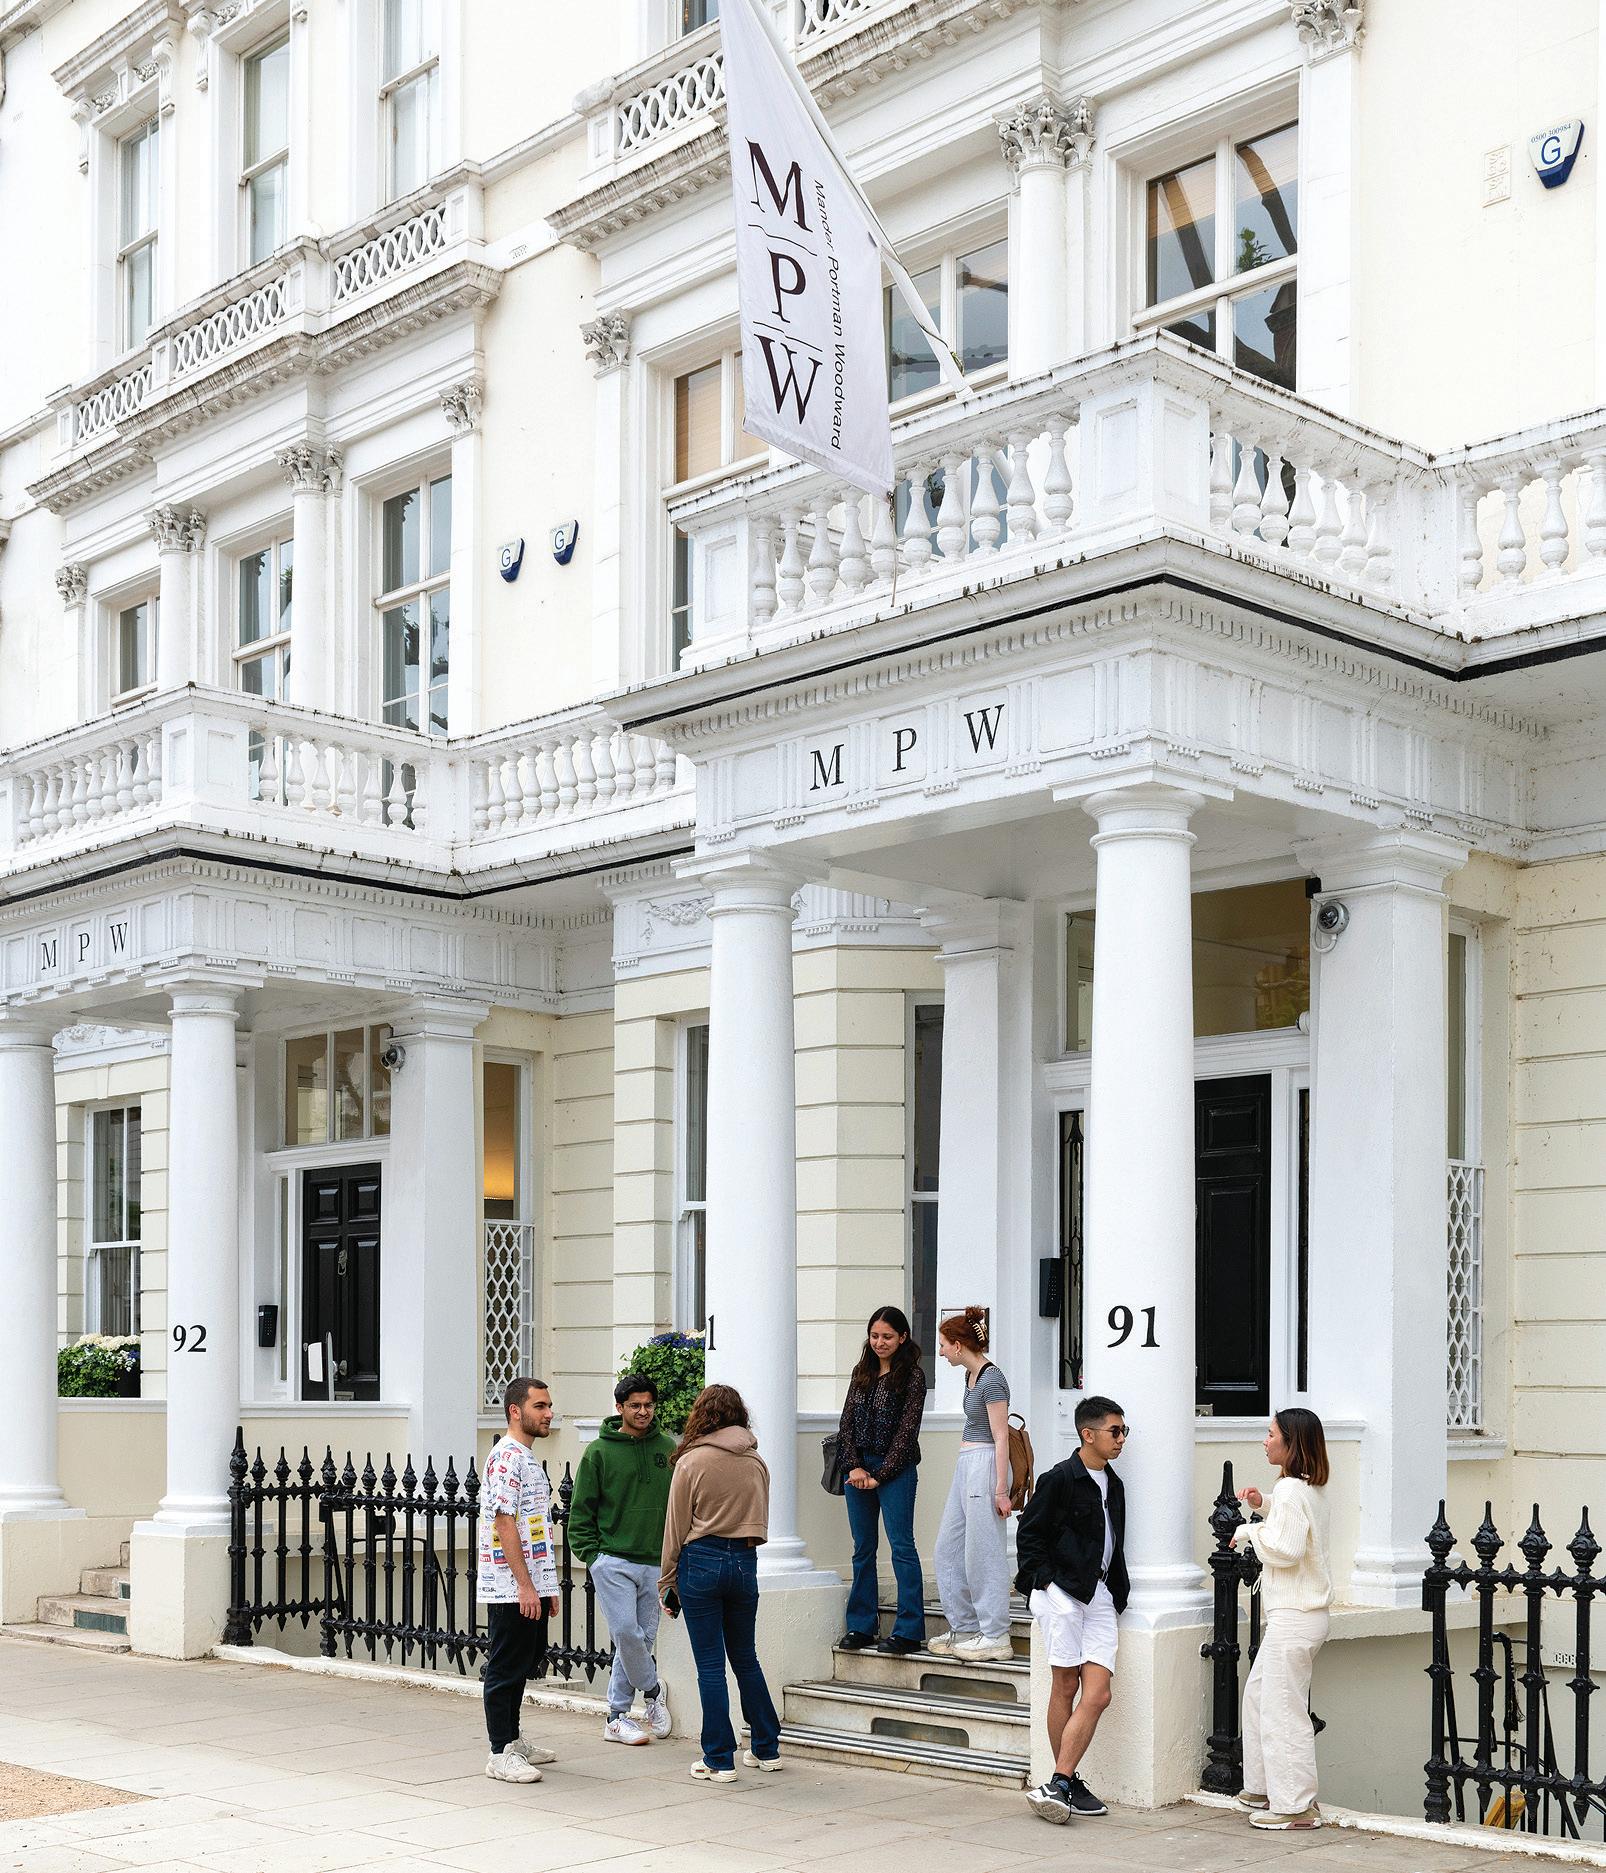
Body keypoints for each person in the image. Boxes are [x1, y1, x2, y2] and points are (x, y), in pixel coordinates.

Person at [659, 1383, 784, 1783]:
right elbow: (760, 1523)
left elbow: (675, 1526)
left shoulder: (692, 1462)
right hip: (745, 1561)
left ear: (703, 1415)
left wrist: (667, 1579)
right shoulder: (756, 1462)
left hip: (702, 1560)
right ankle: (766, 1748)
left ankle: (719, 1759)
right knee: (746, 1658)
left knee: (710, 1666)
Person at [1017, 1394, 1131, 1823]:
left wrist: (1117, 1590)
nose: (1121, 1439)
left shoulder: (1114, 1484)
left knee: (1098, 1694)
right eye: (1114, 1431)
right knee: (1065, 1686)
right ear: (1088, 1434)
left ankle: (1060, 1782)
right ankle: (1067, 1781)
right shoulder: (1059, 1479)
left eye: (1123, 1431)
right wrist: (1047, 1584)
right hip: (1061, 1594)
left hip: (1099, 1594)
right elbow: (1029, 1536)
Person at [1233, 1407, 1333, 1830]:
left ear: (1291, 1443)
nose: (1265, 1440)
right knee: (1260, 1696)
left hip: (1295, 1616)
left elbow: (1287, 1549)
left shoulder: (1292, 1488)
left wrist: (1250, 1530)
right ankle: (1263, 1786)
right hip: (1302, 1616)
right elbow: (1293, 1521)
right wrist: (1264, 1505)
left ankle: (1296, 1807)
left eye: (1272, 1434)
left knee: (1282, 1709)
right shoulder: (1306, 1488)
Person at [570, 1372, 677, 1745]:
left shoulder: (668, 1448)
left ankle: (616, 1717)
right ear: (619, 1407)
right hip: (612, 1560)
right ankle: (652, 1691)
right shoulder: (599, 1452)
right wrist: (592, 1556)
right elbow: (581, 1510)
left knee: (640, 1641)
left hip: (656, 1562)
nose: (643, 1411)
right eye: (635, 1405)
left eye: (648, 1405)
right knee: (627, 1633)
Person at [477, 1376, 561, 1784]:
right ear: (515, 1411)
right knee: (505, 1667)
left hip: (530, 1584)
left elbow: (535, 1526)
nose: (549, 1414)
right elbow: (504, 1523)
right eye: (540, 1406)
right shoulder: (506, 1458)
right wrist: (526, 1586)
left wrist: (547, 1586)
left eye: (548, 1406)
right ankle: (499, 1752)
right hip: (510, 1586)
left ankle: (513, 1739)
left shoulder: (525, 1458)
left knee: (524, 1663)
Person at [836, 1306, 927, 1655]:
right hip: (858, 1470)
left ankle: (908, 1631)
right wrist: (854, 1467)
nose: (879, 1342)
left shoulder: (913, 1377)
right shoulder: (861, 1371)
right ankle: (861, 1625)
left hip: (896, 1470)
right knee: (863, 1548)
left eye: (887, 1336)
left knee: (902, 1547)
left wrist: (880, 1475)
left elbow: (907, 1432)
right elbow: (846, 1424)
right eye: (874, 1336)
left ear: (902, 1337)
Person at [930, 1306, 1013, 1662]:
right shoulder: (971, 1376)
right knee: (947, 1549)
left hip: (985, 1464)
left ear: (958, 1345)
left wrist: (1000, 1489)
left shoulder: (992, 1379)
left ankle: (996, 1634)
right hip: (967, 1464)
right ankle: (964, 1626)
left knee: (983, 1551)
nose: (941, 1352)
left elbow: (1001, 1435)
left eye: (943, 1345)